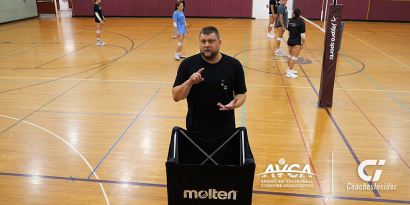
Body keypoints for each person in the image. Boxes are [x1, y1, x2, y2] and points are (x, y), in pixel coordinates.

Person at [172, 26, 247, 133]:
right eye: (203, 41)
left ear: (219, 43)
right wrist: (189, 82)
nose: (207, 45)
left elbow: (241, 94)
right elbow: (176, 96)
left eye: (211, 41)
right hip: (196, 131)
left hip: (225, 130)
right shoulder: (187, 64)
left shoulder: (234, 65)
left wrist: (235, 104)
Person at [286, 8, 306, 78]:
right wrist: (303, 43)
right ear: (300, 15)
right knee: (294, 58)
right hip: (296, 42)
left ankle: (289, 69)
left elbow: (288, 32)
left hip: (290, 40)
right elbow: (302, 35)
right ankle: (289, 73)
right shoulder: (302, 22)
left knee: (290, 56)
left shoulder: (290, 21)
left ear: (294, 14)